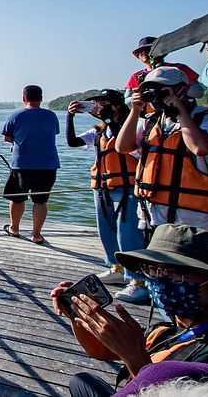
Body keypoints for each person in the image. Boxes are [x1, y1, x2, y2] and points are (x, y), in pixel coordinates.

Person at [51, 224, 208, 397]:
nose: (161, 281)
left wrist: (135, 359)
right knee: (81, 381)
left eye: (175, 273)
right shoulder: (169, 331)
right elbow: (101, 352)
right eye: (153, 271)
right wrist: (77, 316)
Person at [116, 66, 208, 234]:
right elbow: (122, 147)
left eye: (162, 89)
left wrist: (179, 109)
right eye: (150, 90)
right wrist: (135, 111)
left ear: (182, 90)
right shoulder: (151, 121)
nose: (156, 95)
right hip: (153, 217)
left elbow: (199, 148)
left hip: (197, 222)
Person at [67, 89, 149, 302]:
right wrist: (70, 117)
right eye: (96, 105)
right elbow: (72, 142)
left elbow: (129, 147)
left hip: (127, 187)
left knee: (128, 233)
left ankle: (138, 281)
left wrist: (110, 121)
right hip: (103, 187)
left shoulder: (133, 127)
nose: (98, 108)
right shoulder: (99, 132)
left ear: (116, 106)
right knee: (107, 230)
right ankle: (117, 268)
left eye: (102, 104)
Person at [1, 84, 60, 244]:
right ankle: (36, 235)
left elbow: (7, 138)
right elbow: (53, 133)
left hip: (22, 164)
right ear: (41, 98)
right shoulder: (51, 116)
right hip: (47, 165)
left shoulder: (15, 116)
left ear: (23, 98)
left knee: (17, 198)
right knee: (40, 200)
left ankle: (14, 228)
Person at [124, 36, 199, 105]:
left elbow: (199, 92)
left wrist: (177, 89)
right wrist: (137, 97)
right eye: (140, 51)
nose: (143, 52)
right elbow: (126, 101)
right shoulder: (136, 77)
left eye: (148, 49)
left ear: (161, 52)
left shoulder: (179, 68)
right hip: (152, 114)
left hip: (183, 111)